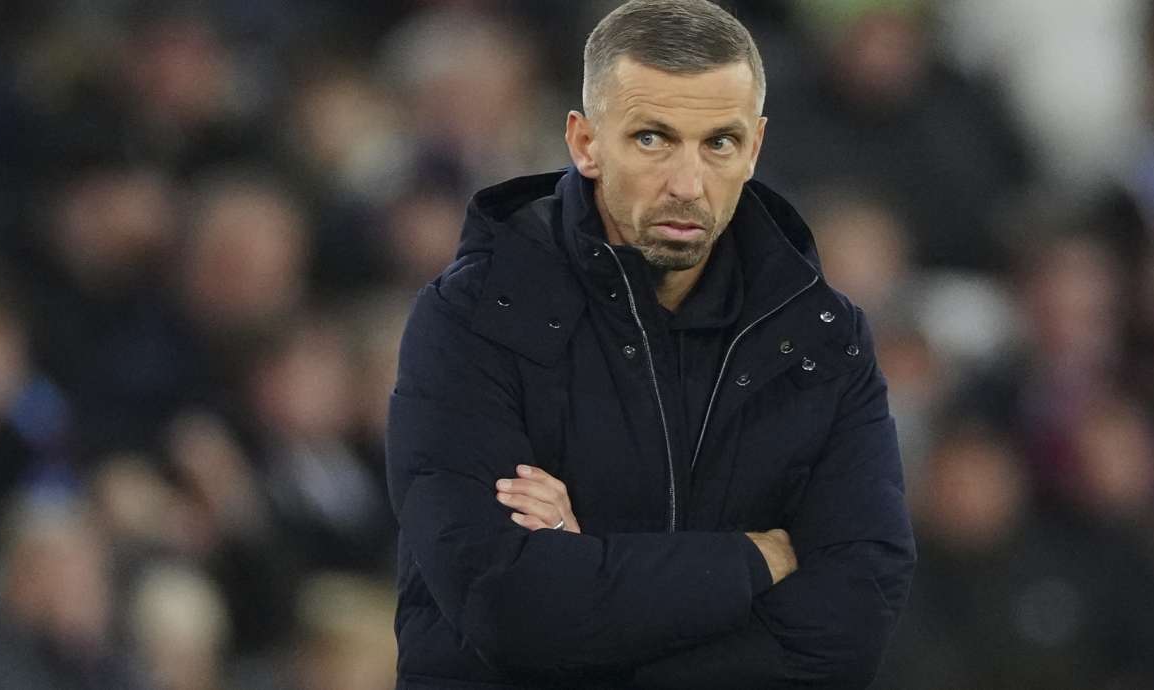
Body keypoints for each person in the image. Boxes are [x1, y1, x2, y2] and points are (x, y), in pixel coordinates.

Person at [385, 1, 915, 688]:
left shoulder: (822, 338)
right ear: (584, 144)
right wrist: (756, 560)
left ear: (753, 147)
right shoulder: (472, 317)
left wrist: (593, 570)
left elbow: (848, 627)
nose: (687, 185)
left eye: (718, 143)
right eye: (652, 139)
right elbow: (510, 607)